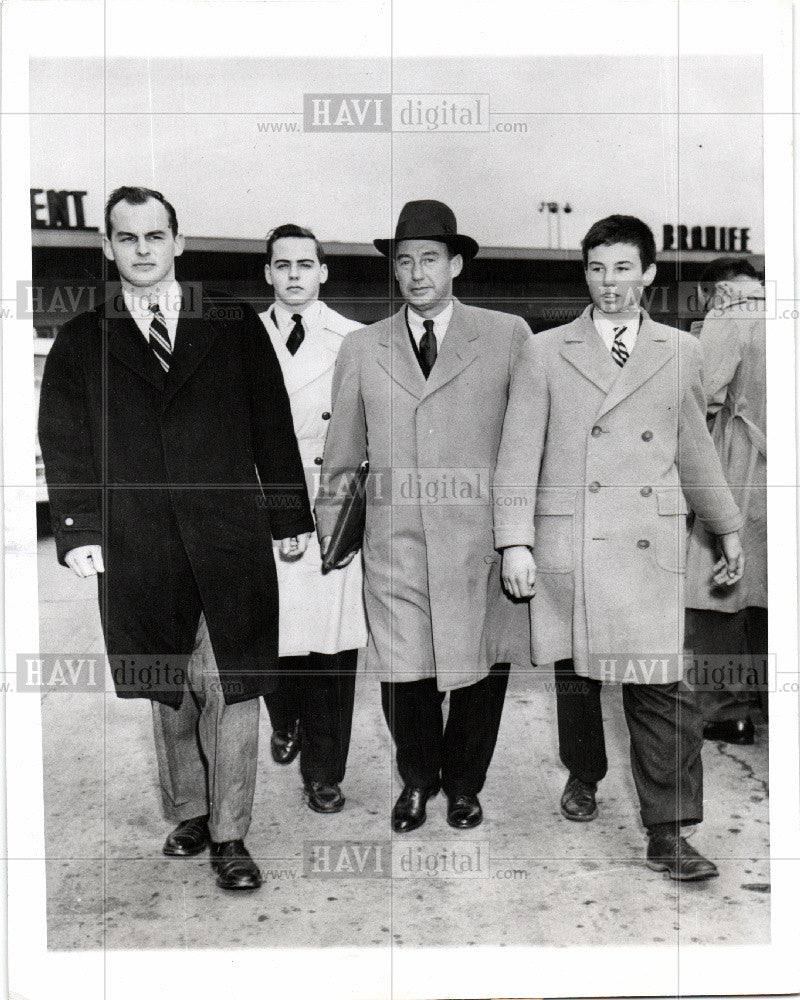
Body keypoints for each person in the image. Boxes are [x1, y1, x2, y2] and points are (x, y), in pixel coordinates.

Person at [38, 186, 313, 891]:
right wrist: (77, 532)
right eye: (126, 238)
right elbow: (64, 442)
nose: (141, 250)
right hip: (138, 545)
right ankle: (190, 811)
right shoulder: (81, 337)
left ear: (178, 242)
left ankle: (231, 834)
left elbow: (270, 423)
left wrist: (289, 519)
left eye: (154, 236)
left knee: (233, 687)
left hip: (228, 538)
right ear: (106, 246)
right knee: (169, 690)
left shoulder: (230, 322)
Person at [499, 215, 744, 880]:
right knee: (579, 675)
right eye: (598, 269)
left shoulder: (681, 351)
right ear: (585, 274)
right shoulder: (545, 351)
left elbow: (694, 447)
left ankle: (669, 832)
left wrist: (726, 526)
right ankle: (584, 769)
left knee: (660, 687)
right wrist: (515, 540)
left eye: (624, 269)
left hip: (648, 545)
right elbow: (519, 452)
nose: (611, 284)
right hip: (573, 537)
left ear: (649, 273)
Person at [316, 200, 535, 833]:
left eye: (430, 259)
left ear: (456, 263)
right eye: (405, 261)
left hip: (479, 543)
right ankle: (417, 780)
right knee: (402, 670)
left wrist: (520, 535)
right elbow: (342, 453)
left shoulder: (506, 335)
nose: (416, 273)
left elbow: (524, 446)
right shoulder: (363, 347)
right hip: (395, 539)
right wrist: (330, 533)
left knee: (479, 668)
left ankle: (465, 785)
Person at [258, 223, 367, 813]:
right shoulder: (241, 338)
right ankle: (285, 717)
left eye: (306, 263)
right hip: (264, 496)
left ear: (323, 272)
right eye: (283, 264)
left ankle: (325, 772)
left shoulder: (354, 338)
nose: (294, 274)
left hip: (334, 497)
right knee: (274, 630)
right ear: (268, 273)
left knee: (332, 643)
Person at [685, 258, 767, 744]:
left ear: (713, 290)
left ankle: (727, 711)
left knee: (717, 594)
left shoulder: (727, 315)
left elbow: (702, 397)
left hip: (743, 466)